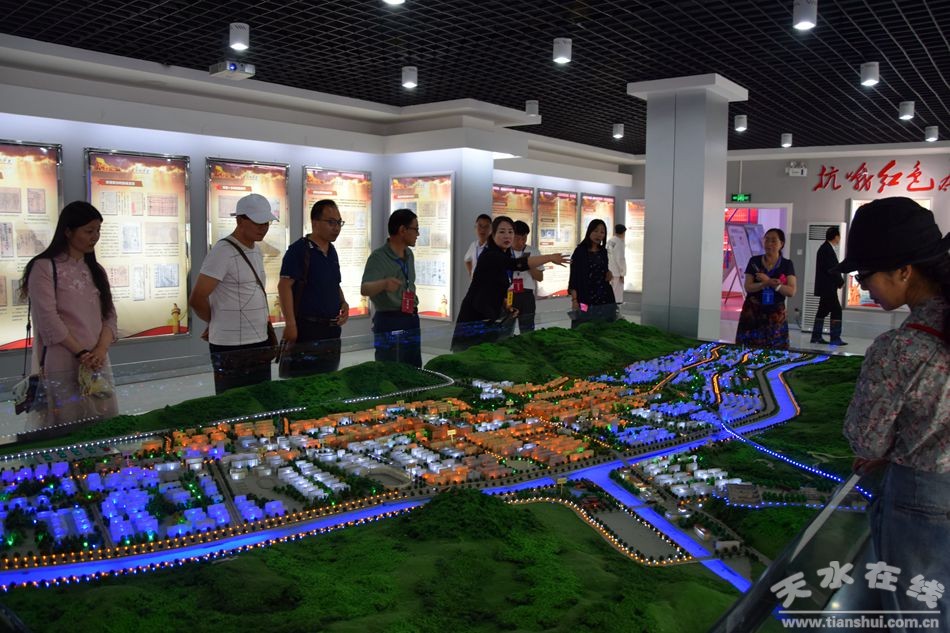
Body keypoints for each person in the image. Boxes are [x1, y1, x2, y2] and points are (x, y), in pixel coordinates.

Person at [838, 197, 949, 630]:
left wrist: (884, 449)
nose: (864, 287)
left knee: (919, 616)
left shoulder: (900, 349)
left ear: (904, 271)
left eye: (865, 275)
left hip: (923, 502)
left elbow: (865, 439)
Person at [20, 201, 118, 432]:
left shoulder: (96, 270)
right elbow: (48, 319)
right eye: (89, 231)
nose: (95, 237)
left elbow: (110, 316)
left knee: (103, 419)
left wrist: (100, 350)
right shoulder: (44, 267)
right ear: (67, 231)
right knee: (66, 421)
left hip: (96, 360)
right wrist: (81, 353)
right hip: (63, 358)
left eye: (98, 231)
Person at [190, 193, 277, 395]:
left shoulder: (256, 250)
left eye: (266, 223)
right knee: (232, 401)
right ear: (240, 220)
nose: (263, 228)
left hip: (259, 340)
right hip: (230, 346)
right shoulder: (222, 251)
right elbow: (197, 298)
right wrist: (215, 320)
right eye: (258, 222)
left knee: (260, 399)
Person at [452, 216, 567, 351]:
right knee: (469, 355)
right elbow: (517, 264)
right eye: (502, 232)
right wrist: (550, 257)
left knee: (487, 352)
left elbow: (495, 286)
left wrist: (505, 304)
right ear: (493, 234)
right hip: (476, 315)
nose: (507, 236)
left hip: (490, 312)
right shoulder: (491, 254)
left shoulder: (503, 253)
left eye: (510, 232)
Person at [278, 199, 350, 377]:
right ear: (315, 222)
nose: (336, 228)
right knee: (306, 380)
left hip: (332, 330)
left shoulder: (331, 251)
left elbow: (334, 283)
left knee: (329, 378)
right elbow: (284, 287)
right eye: (331, 222)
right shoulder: (299, 250)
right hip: (307, 329)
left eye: (339, 222)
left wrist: (344, 303)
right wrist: (290, 324)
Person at [360, 208, 422, 367]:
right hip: (390, 320)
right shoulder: (378, 257)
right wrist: (384, 284)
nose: (418, 234)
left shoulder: (409, 254)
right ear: (402, 230)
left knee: (414, 367)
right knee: (390, 368)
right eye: (415, 229)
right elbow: (365, 289)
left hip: (411, 318)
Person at [735, 228, 797, 349]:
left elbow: (791, 291)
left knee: (775, 350)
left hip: (775, 314)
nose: (769, 244)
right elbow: (748, 287)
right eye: (766, 240)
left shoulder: (786, 264)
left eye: (773, 240)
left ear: (781, 244)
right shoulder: (754, 261)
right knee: (747, 349)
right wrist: (766, 283)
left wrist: (772, 283)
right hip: (753, 312)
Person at [569, 219, 617, 328]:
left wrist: (609, 273)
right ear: (589, 231)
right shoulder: (580, 251)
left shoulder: (603, 251)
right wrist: (574, 300)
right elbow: (574, 278)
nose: (599, 234)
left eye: (602, 232)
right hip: (585, 298)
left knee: (605, 327)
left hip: (604, 296)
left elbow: (604, 270)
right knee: (584, 325)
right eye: (595, 231)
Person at [811, 226, 847, 345]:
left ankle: (816, 336)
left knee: (822, 311)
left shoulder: (824, 248)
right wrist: (840, 281)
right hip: (828, 287)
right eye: (839, 236)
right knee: (837, 310)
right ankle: (835, 338)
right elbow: (832, 269)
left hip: (825, 287)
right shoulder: (827, 250)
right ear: (836, 237)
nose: (839, 239)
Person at [508, 220, 543, 334]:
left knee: (527, 330)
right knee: (506, 329)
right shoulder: (505, 251)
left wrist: (528, 264)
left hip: (527, 295)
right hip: (509, 294)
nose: (521, 242)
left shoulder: (533, 251)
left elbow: (540, 277)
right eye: (517, 238)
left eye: (524, 238)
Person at [606, 223, 627, 305]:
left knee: (610, 293)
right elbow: (620, 259)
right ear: (623, 232)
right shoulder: (619, 242)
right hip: (617, 272)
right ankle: (615, 311)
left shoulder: (610, 241)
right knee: (617, 296)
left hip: (609, 270)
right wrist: (622, 273)